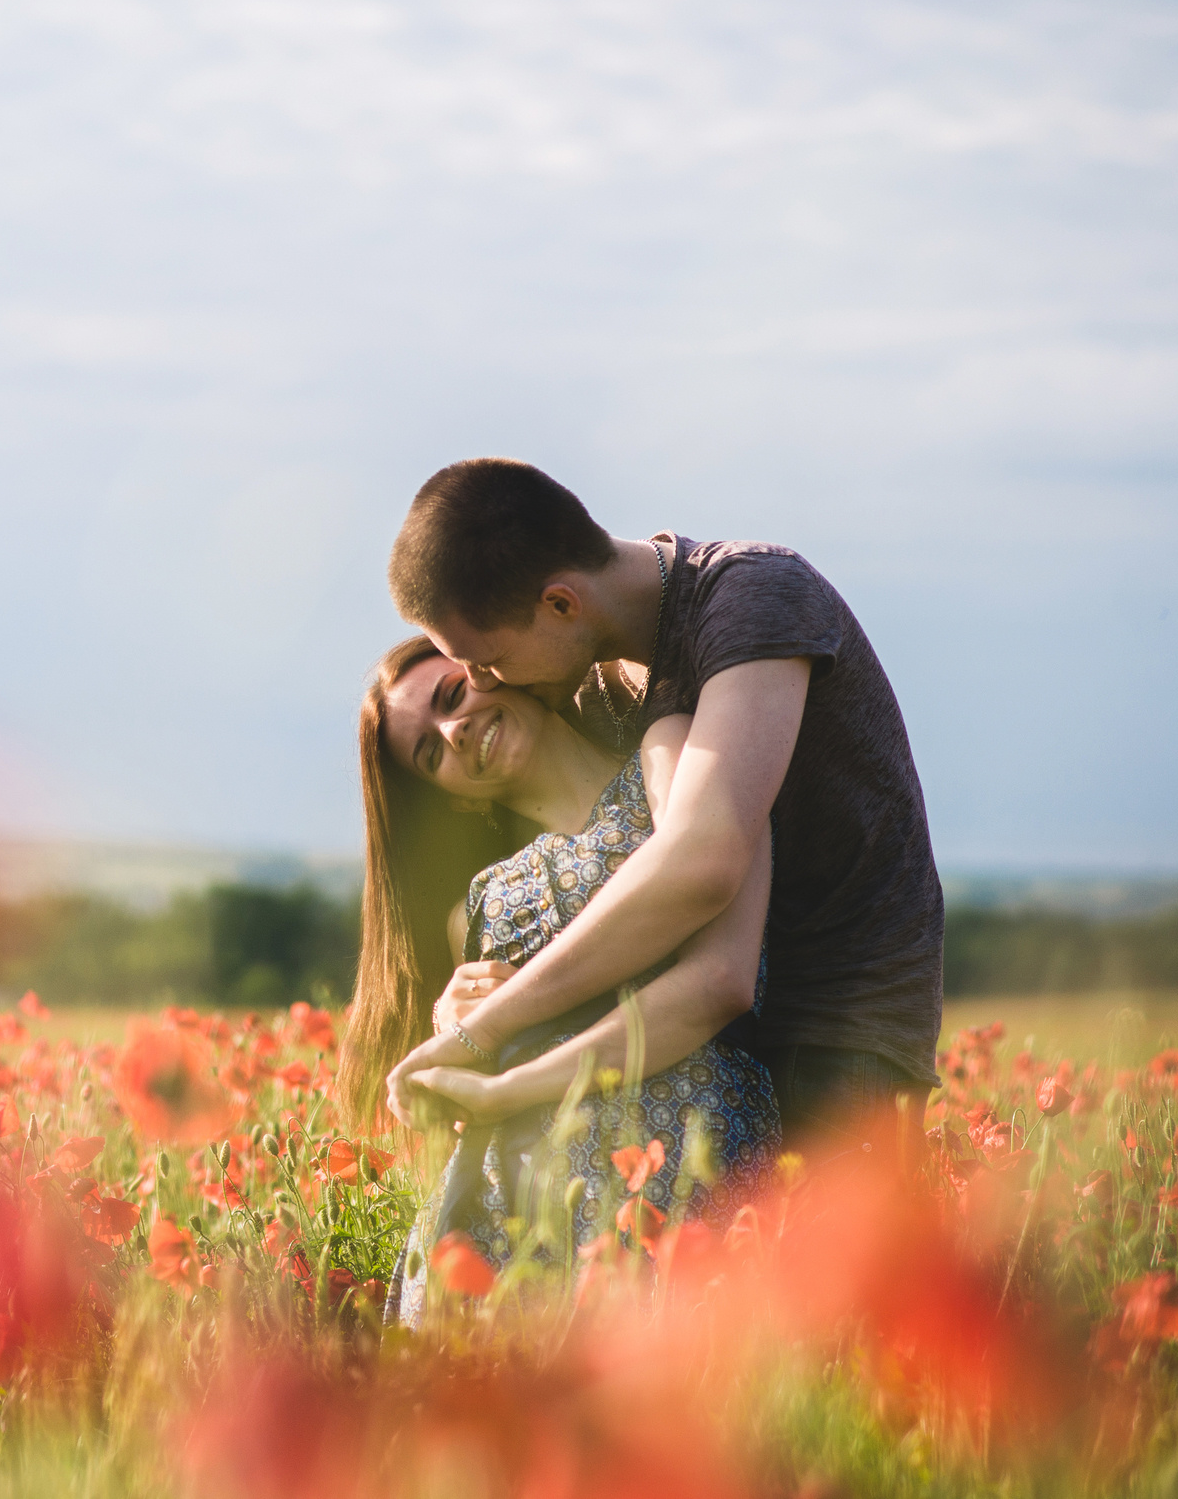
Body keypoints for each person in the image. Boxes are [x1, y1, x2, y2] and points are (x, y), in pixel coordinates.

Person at [380, 458, 945, 1145]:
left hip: (838, 1031)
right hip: (703, 1049)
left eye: (488, 662)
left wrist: (488, 1028)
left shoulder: (753, 599)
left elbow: (698, 862)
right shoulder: (597, 683)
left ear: (560, 603)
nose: (485, 683)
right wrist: (469, 993)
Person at [343, 635, 780, 1322]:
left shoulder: (672, 760)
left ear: (492, 669)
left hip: (685, 1170)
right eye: (431, 755)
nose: (454, 732)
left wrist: (504, 1085)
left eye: (452, 695)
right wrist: (452, 1031)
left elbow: (721, 983)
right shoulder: (479, 908)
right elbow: (474, 1071)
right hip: (513, 1224)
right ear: (453, 799)